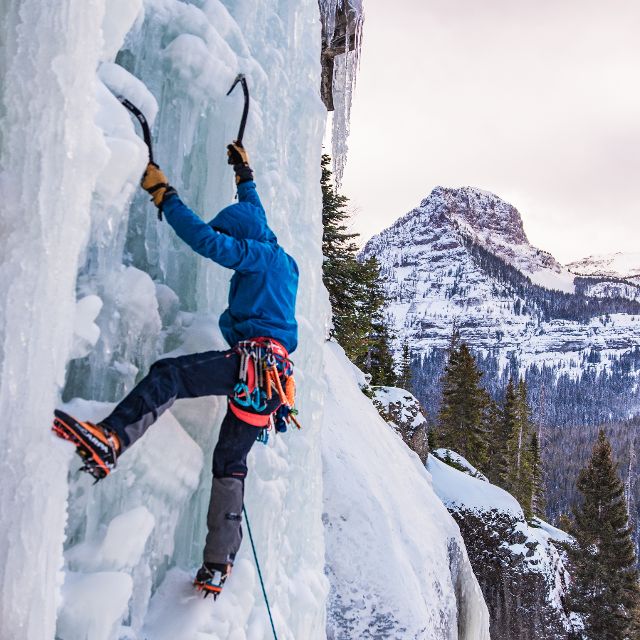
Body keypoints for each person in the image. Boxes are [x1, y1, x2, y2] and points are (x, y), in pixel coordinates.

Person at [52, 142, 299, 599]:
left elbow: (207, 240)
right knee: (230, 463)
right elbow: (253, 208)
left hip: (253, 364)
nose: (235, 251)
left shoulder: (257, 256)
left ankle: (111, 439)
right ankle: (218, 564)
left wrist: (166, 196)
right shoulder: (281, 257)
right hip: (271, 385)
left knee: (171, 374)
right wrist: (244, 171)